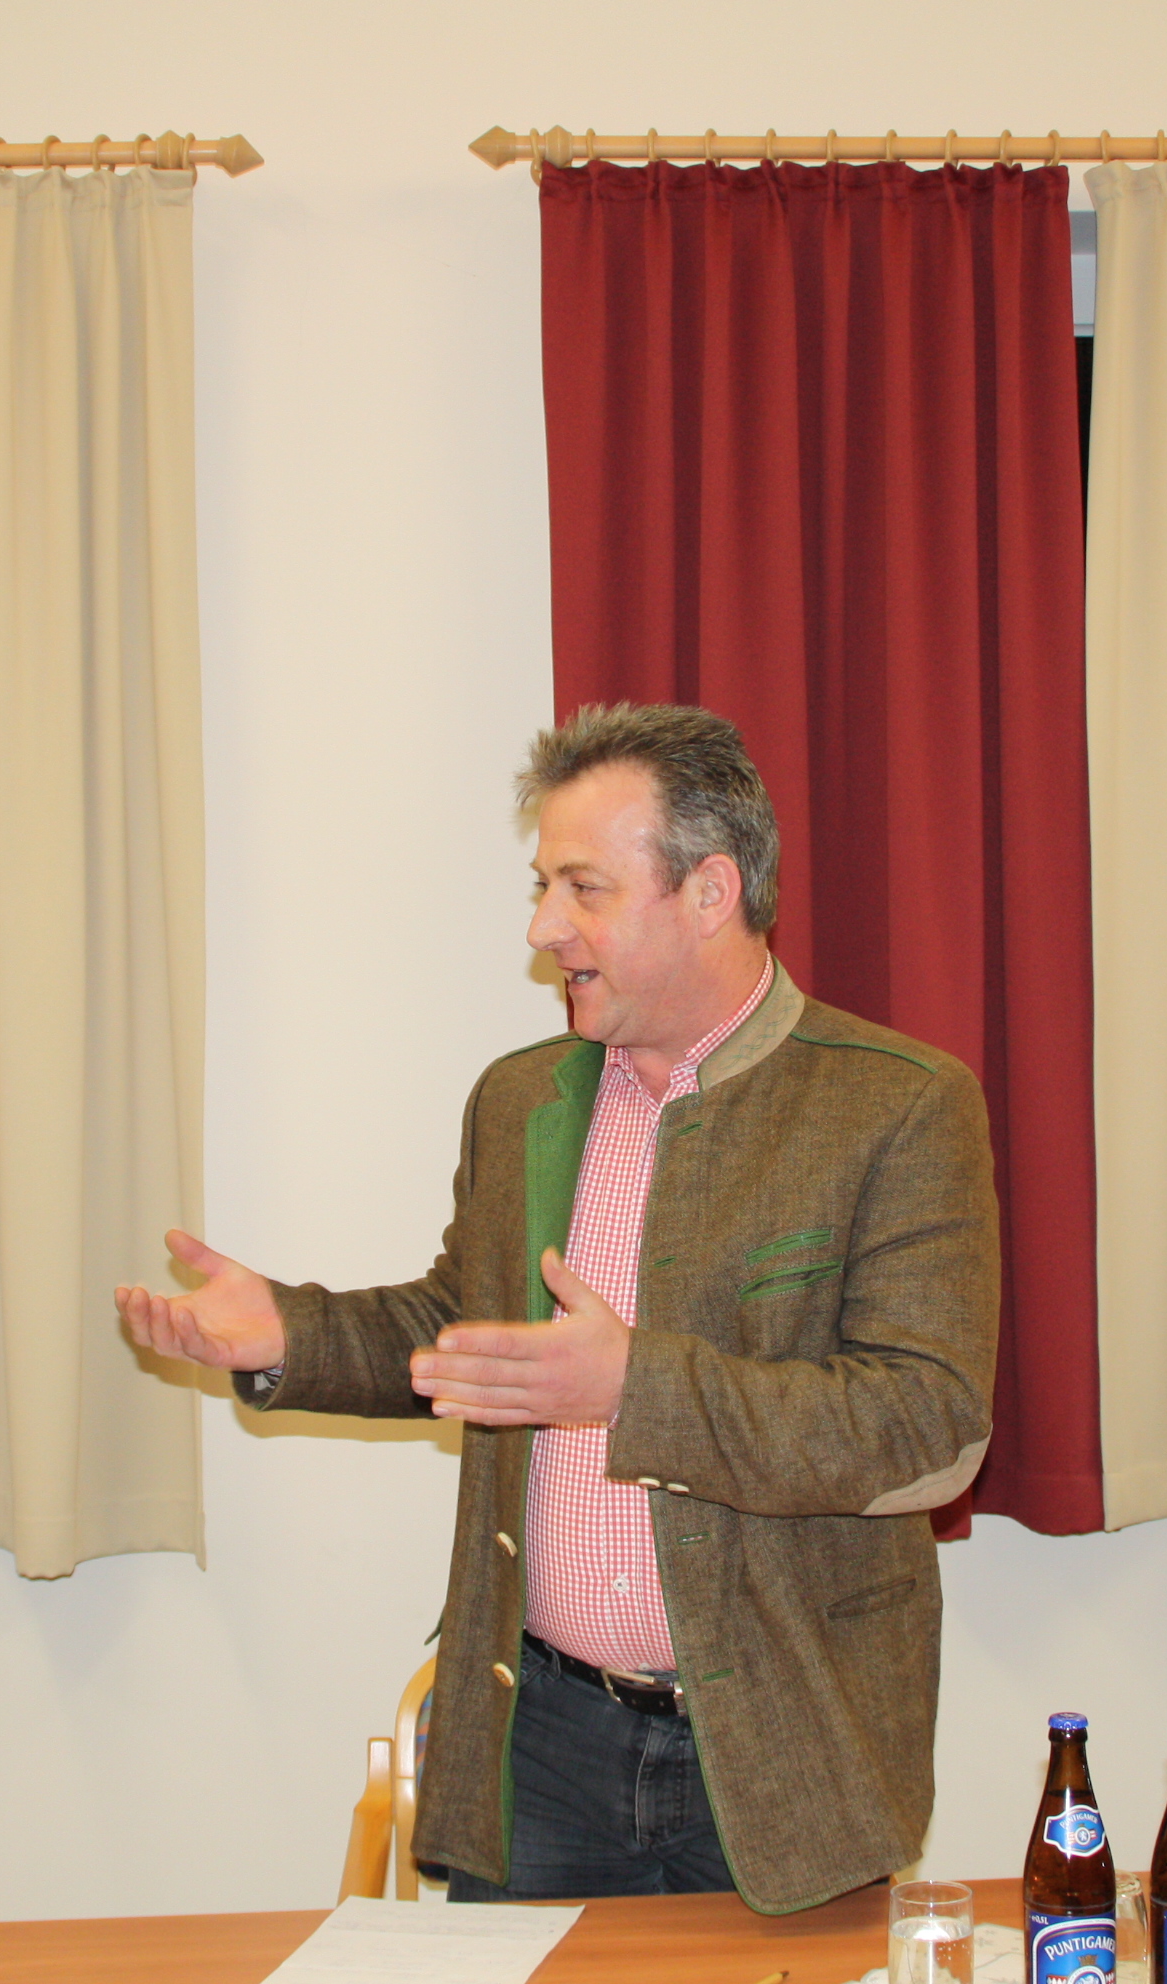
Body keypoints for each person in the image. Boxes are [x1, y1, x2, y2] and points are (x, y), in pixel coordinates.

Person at [117, 703, 999, 1914]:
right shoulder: (521, 1097)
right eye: (544, 887)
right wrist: (291, 1334)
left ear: (708, 890)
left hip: (787, 1747)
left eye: (583, 888)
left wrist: (633, 1388)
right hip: (542, 1743)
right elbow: (467, 1326)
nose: (543, 929)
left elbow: (927, 1426)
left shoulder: (896, 1105)